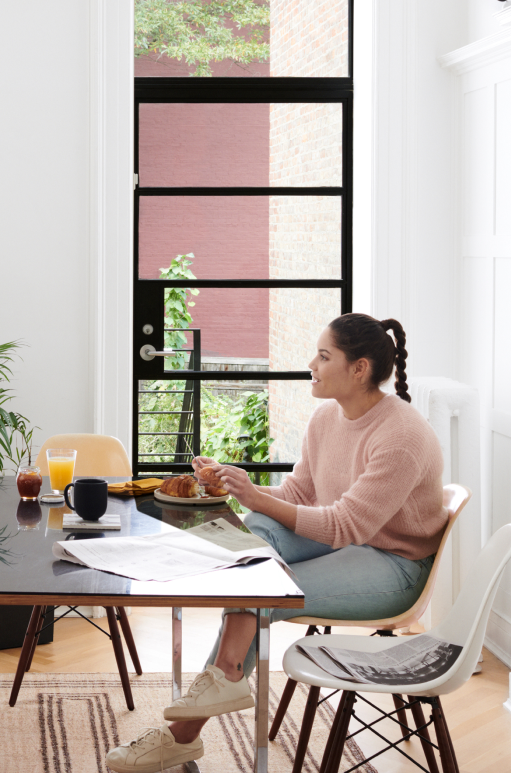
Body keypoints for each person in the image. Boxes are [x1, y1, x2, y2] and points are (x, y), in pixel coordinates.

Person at [106, 314, 450, 773]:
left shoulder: (401, 437)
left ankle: (188, 728)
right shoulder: (328, 417)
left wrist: (253, 497)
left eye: (324, 356)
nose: (312, 364)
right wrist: (241, 487)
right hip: (345, 546)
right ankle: (224, 678)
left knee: (264, 588)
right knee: (258, 534)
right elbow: (300, 498)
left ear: (359, 369)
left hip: (396, 566)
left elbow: (345, 523)